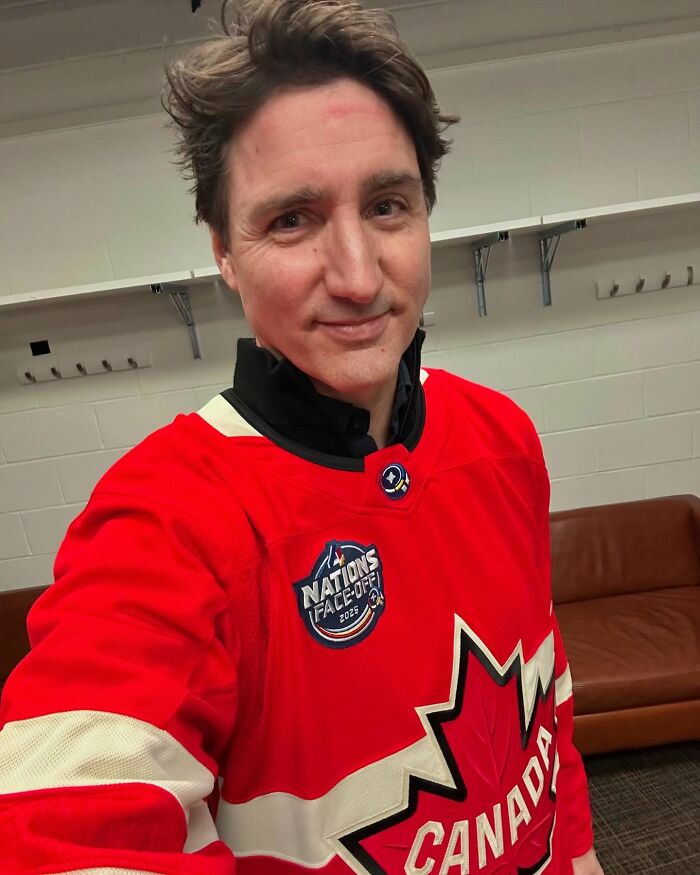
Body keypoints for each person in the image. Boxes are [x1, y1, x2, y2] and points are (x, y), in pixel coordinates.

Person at [0, 1, 604, 872]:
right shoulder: (167, 521)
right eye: (293, 219)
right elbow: (59, 834)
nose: (358, 276)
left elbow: (549, 719)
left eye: (388, 206)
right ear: (223, 252)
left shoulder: (499, 433)